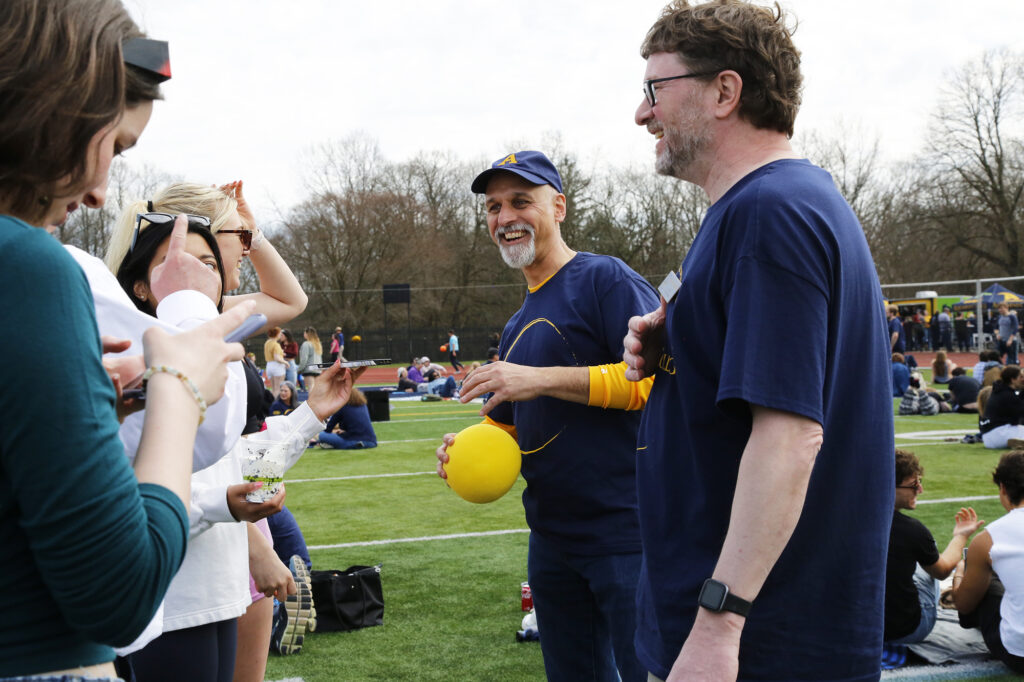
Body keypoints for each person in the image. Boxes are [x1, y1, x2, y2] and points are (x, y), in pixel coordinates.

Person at [624, 3, 894, 679]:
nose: (641, 113)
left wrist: (719, 624)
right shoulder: (765, 207)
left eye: (656, 89)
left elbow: (789, 438)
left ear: (724, 91)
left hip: (760, 643)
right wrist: (678, 347)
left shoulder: (772, 212)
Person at [0, 2, 250, 678]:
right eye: (114, 146)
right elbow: (118, 597)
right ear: (55, 109)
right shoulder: (27, 267)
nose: (99, 191)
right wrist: (179, 391)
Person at [437, 150, 659, 682]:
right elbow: (509, 426)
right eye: (493, 208)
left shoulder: (606, 279)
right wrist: (467, 449)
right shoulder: (516, 324)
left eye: (521, 201)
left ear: (558, 206)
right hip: (552, 538)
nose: (505, 218)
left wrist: (537, 378)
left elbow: (654, 384)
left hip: (626, 533)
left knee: (653, 673)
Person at [885, 450, 984, 645]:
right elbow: (942, 570)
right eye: (914, 484)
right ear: (889, 486)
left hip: (855, 627)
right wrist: (961, 535)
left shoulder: (845, 519)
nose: (920, 490)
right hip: (904, 630)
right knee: (925, 566)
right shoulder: (912, 530)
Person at [953, 450, 1024, 674]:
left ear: (1002, 488)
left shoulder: (988, 540)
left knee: (985, 577)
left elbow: (963, 604)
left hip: (1018, 654)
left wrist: (959, 573)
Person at [979, 365, 1024, 449]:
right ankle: (1018, 441)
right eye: (1020, 377)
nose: (1022, 379)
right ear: (1013, 379)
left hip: (988, 437)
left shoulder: (999, 392)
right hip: (1001, 434)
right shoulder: (1008, 395)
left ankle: (1018, 442)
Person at [297, 327, 323, 393]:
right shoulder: (318, 344)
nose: (303, 334)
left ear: (307, 334)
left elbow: (304, 359)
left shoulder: (306, 344)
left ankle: (311, 403)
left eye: (304, 332)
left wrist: (299, 369)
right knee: (316, 388)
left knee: (310, 387)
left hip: (309, 369)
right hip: (318, 369)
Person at [264, 327, 287, 395]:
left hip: (269, 365)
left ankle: (273, 404)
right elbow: (277, 358)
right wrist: (286, 362)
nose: (280, 335)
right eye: (280, 333)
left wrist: (281, 353)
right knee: (278, 388)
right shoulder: (276, 344)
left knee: (273, 388)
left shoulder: (267, 343)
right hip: (277, 366)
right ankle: (276, 404)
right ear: (276, 334)